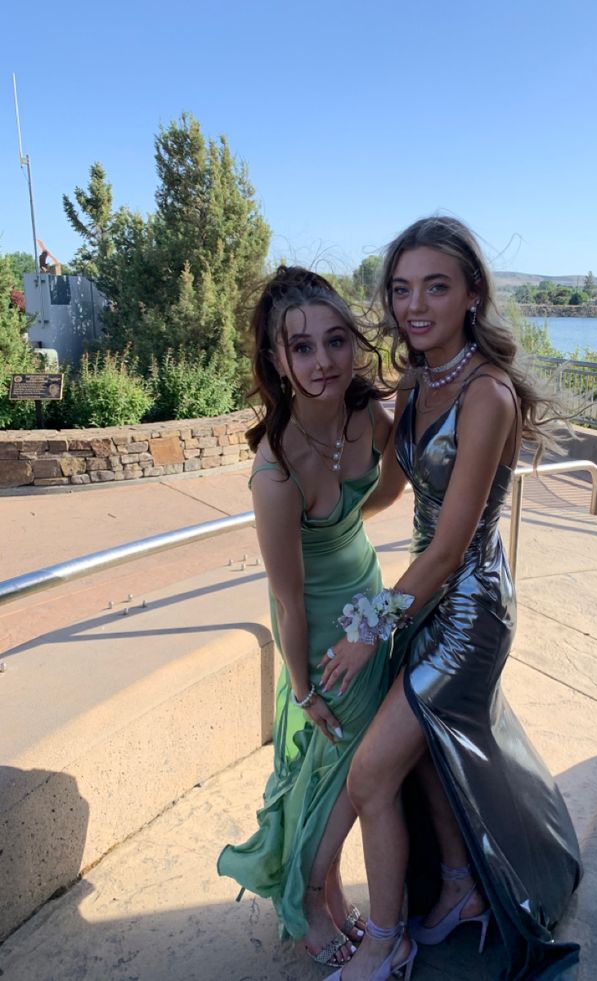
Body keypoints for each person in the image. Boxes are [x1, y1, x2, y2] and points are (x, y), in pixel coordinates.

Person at [319, 217, 583, 980]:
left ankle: (385, 941)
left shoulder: (486, 393)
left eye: (435, 287)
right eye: (402, 289)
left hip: (469, 610)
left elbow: (449, 545)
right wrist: (325, 520)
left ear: (472, 294)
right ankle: (462, 887)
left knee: (373, 772)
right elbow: (394, 487)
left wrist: (370, 626)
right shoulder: (419, 380)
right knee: (429, 753)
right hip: (426, 598)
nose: (414, 305)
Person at [217, 266, 394, 968]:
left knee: (354, 770)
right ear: (277, 359)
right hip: (319, 636)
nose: (324, 361)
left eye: (336, 340)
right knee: (335, 775)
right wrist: (301, 691)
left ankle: (330, 891)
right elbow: (287, 601)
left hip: (368, 607)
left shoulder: (364, 414)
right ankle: (312, 900)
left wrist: (351, 525)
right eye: (303, 347)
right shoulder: (276, 473)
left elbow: (386, 487)